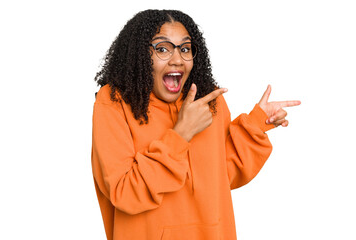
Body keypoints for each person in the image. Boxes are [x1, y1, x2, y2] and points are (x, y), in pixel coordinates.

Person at [91, 9, 300, 240]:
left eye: (185, 48)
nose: (177, 59)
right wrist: (180, 134)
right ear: (140, 54)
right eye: (162, 49)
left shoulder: (209, 101)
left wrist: (257, 123)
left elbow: (222, 175)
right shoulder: (114, 102)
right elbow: (125, 192)